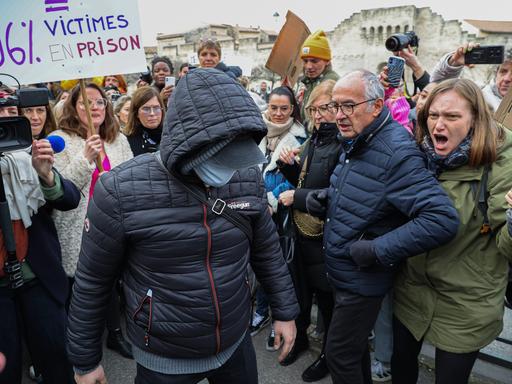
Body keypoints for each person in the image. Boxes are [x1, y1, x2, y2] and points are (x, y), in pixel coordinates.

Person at [67, 68, 299, 384]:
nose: (228, 168)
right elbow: (93, 280)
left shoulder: (245, 174)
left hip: (234, 342)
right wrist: (85, 361)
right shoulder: (120, 190)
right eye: (220, 156)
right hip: (163, 356)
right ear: (185, 141)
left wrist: (285, 312)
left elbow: (267, 249)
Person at [305, 70, 460, 384]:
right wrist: (328, 198)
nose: (338, 115)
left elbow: (441, 220)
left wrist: (376, 249)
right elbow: (370, 192)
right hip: (346, 273)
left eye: (348, 106)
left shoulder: (396, 152)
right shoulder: (359, 138)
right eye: (335, 106)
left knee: (339, 356)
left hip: (362, 280)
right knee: (352, 352)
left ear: (376, 106)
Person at [391, 78, 512, 384]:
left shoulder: (502, 163)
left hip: (467, 302)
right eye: (433, 115)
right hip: (412, 289)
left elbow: (506, 245)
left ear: (475, 119)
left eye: (452, 117)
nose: (439, 125)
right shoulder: (419, 153)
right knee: (401, 366)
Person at [50, 83, 133, 358]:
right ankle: (80, 346)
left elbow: (130, 179)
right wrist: (86, 157)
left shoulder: (116, 138)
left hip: (111, 225)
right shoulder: (59, 139)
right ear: (74, 108)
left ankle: (115, 334)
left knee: (109, 281)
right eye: (86, 102)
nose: (94, 107)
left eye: (100, 102)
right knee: (79, 288)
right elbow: (61, 189)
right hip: (77, 225)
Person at [0, 105, 80, 384]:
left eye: (13, 110)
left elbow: (70, 199)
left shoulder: (31, 154)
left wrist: (46, 175)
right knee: (6, 369)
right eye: (0, 111)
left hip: (38, 277)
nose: (7, 117)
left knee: (57, 356)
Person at [277, 79, 340, 382]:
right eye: (314, 109)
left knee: (327, 302)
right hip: (304, 232)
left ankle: (329, 356)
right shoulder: (315, 139)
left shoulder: (343, 141)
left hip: (325, 236)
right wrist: (289, 166)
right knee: (302, 293)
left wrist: (297, 197)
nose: (318, 115)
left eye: (325, 107)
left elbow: (338, 195)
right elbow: (307, 181)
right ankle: (299, 339)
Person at [249, 86, 306, 348]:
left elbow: (295, 180)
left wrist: (269, 201)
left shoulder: (300, 137)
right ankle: (260, 312)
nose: (279, 113)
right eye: (274, 108)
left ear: (293, 109)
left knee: (277, 267)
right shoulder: (257, 131)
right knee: (258, 266)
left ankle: (277, 320)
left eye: (285, 108)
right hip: (254, 209)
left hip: (278, 214)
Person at [430, 44, 511, 111]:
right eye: (503, 71)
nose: (507, 79)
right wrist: (454, 63)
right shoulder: (477, 94)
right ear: (496, 73)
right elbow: (438, 86)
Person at [298, 30, 339, 122]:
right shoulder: (309, 81)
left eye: (314, 61)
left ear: (327, 61)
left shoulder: (331, 83)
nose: (308, 66)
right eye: (305, 61)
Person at [124, 87, 165, 156]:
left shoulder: (172, 134)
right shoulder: (126, 141)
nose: (152, 113)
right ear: (136, 113)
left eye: (156, 108)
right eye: (146, 109)